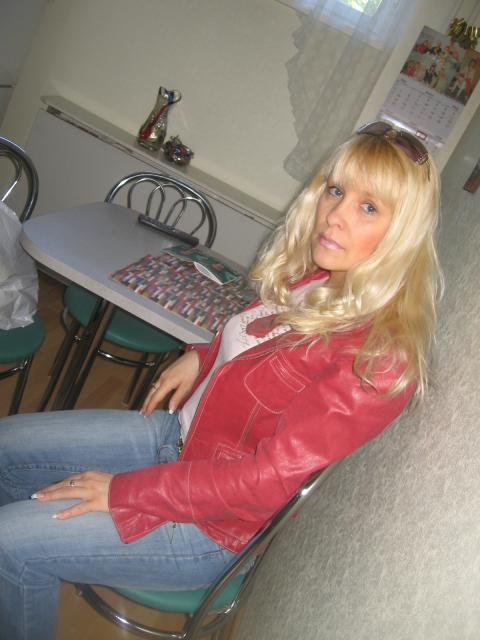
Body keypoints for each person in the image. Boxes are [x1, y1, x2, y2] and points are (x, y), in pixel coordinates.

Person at [0, 121, 442, 639]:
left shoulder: (378, 357)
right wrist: (201, 355)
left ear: (402, 232)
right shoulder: (324, 279)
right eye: (336, 190)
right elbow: (253, 340)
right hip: (179, 440)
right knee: (7, 448)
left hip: (210, 527)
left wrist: (124, 492)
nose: (336, 215)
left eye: (368, 207)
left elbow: (265, 484)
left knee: (12, 545)